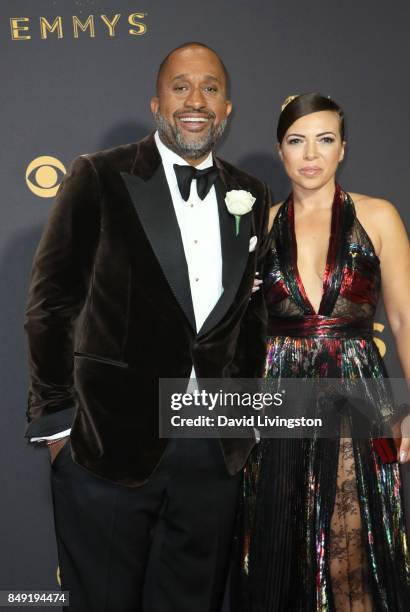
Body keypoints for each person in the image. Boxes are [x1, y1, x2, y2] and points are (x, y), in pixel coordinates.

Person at [24, 42, 270, 612]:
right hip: (106, 446)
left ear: (227, 109)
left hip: (210, 454)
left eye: (210, 88)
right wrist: (59, 427)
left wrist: (246, 425)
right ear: (156, 102)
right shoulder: (100, 176)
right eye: (180, 86)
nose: (195, 100)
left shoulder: (251, 196)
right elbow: (52, 303)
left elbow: (250, 318)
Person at [235, 93, 410, 610]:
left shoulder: (379, 216)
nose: (310, 154)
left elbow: (402, 318)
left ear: (342, 150)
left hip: (366, 397)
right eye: (296, 141)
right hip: (277, 397)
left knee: (359, 546)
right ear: (280, 151)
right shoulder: (257, 227)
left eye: (324, 139)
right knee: (278, 545)